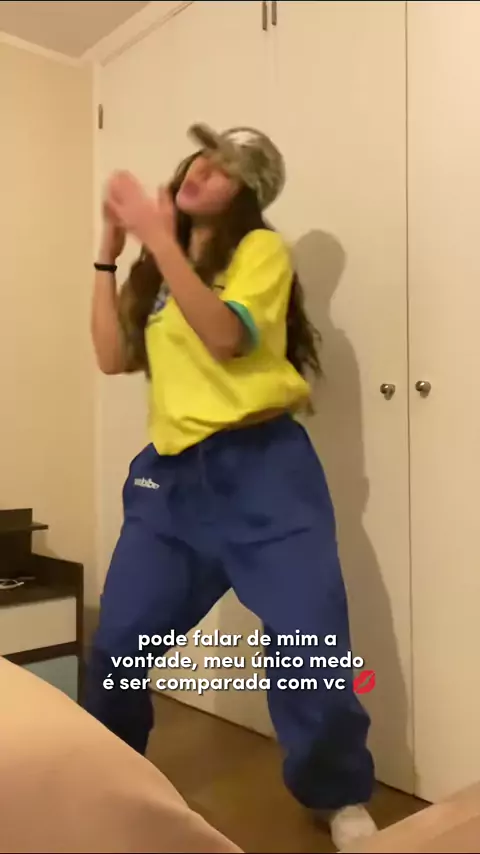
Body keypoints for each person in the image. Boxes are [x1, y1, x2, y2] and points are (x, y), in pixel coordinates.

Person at [85, 124, 377, 850]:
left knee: (311, 645)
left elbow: (225, 336)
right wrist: (109, 253)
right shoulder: (160, 273)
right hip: (171, 482)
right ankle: (106, 785)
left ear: (248, 193)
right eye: (199, 158)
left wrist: (158, 239)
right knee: (117, 648)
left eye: (223, 168)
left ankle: (336, 794)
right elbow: (112, 357)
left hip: (266, 471)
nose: (201, 170)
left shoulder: (261, 253)